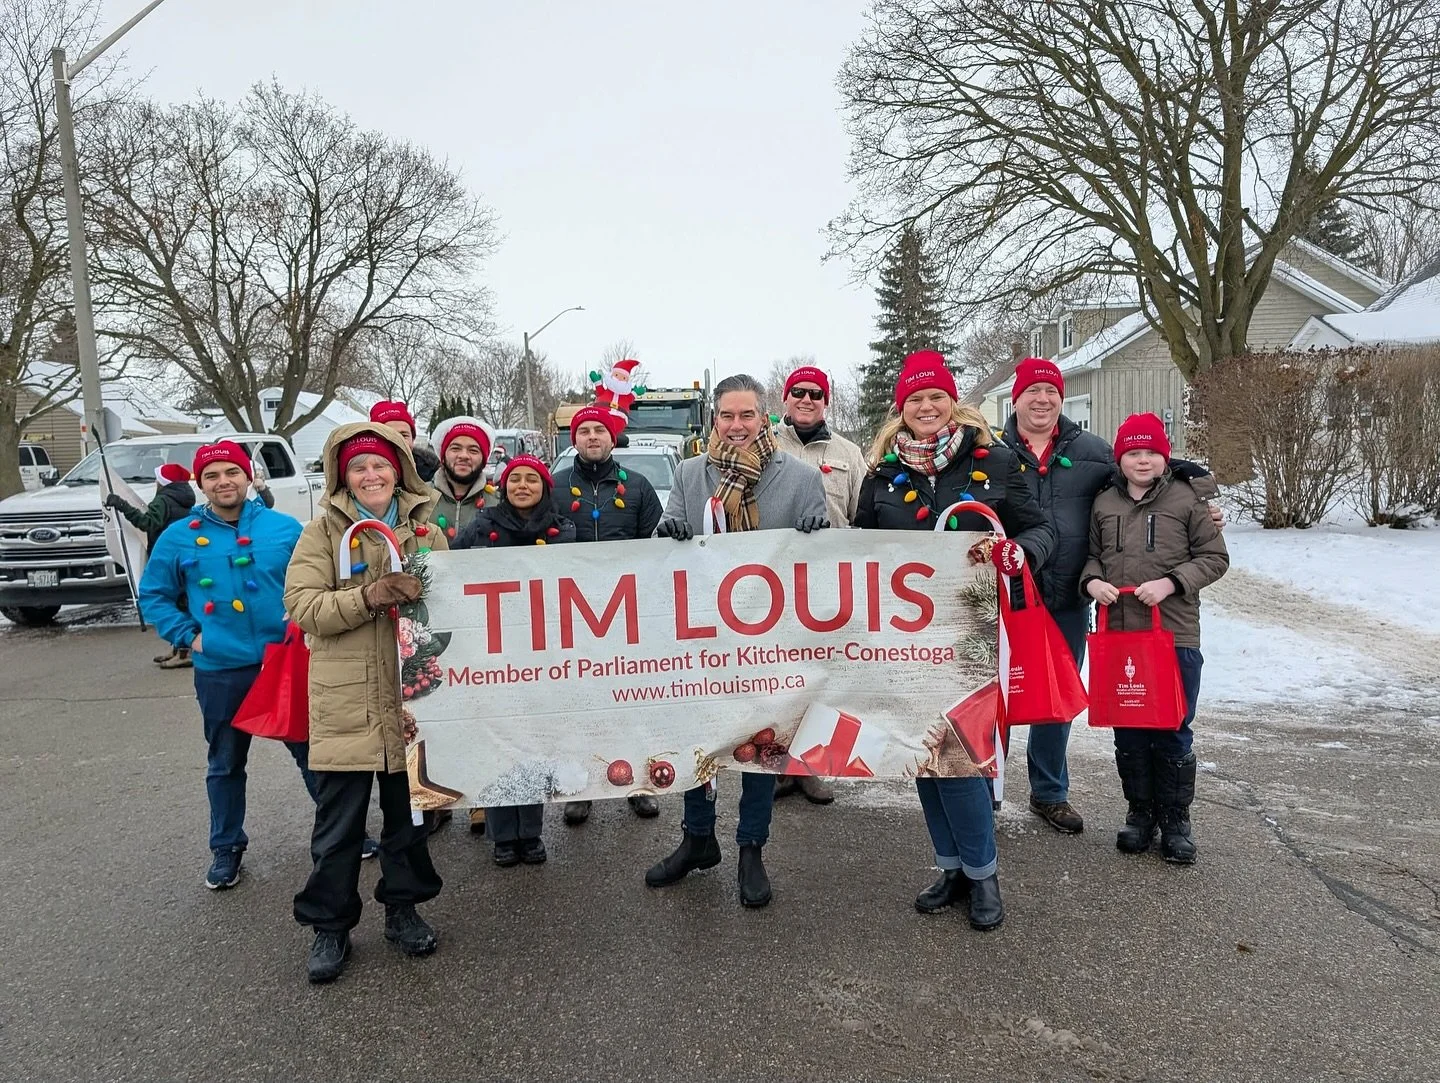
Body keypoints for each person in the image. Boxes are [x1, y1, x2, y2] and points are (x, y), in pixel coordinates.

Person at [854, 351, 1055, 931]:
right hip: (907, 638)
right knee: (926, 754)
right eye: (915, 399)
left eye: (936, 397)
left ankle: (983, 873)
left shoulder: (995, 462)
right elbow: (861, 550)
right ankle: (952, 869)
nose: (927, 407)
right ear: (902, 408)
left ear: (952, 402)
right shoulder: (881, 476)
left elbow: (1041, 528)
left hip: (973, 635)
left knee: (961, 754)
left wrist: (1020, 553)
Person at [1000, 357, 1225, 835]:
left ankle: (1049, 793)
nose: (1042, 399)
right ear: (1015, 399)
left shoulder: (1093, 452)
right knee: (996, 695)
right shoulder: (993, 452)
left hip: (1067, 595)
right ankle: (987, 788)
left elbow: (1146, 476)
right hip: (1006, 596)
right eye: (1032, 390)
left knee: (1056, 700)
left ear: (1061, 398)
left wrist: (1200, 499)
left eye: (1051, 391)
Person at [645, 374, 829, 909]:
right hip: (703, 639)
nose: (737, 425)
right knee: (699, 739)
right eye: (727, 415)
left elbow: (822, 563)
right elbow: (662, 543)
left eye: (747, 415)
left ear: (763, 417)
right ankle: (698, 838)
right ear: (715, 419)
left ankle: (752, 847)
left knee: (759, 745)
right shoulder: (690, 474)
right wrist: (669, 535)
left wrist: (818, 533)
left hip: (768, 641)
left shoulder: (799, 478)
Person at [284, 423, 447, 984]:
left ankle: (404, 910)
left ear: (398, 471)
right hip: (346, 700)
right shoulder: (321, 534)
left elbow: (452, 608)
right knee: (338, 828)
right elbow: (304, 607)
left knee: (409, 819)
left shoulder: (426, 532)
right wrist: (369, 596)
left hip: (410, 698)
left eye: (380, 465)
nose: (371, 475)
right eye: (358, 467)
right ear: (343, 476)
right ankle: (330, 926)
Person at [136, 441, 318, 891]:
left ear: (248, 477)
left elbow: (316, 581)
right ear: (200, 484)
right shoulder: (179, 536)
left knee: (313, 754)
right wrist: (190, 636)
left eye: (232, 472)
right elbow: (154, 595)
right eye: (212, 476)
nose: (223, 482)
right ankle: (226, 847)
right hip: (220, 668)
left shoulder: (284, 528)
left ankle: (340, 833)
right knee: (225, 761)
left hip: (283, 662)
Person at [1081, 413, 1229, 865]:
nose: (1142, 460)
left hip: (1173, 634)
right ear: (1119, 459)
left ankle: (1176, 819)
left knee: (1172, 727)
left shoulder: (1187, 500)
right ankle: (1140, 813)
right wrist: (1093, 582)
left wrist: (1171, 583)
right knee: (1129, 730)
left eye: (1151, 452)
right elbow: (1091, 556)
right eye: (1133, 452)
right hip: (1121, 634)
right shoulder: (1104, 502)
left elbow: (1214, 557)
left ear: (1165, 457)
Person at [454, 455, 576, 865]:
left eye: (532, 480)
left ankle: (531, 832)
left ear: (545, 488)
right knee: (498, 742)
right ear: (503, 487)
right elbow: (450, 571)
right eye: (515, 479)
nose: (523, 486)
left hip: (544, 654)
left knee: (532, 741)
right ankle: (502, 835)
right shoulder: (481, 527)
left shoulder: (564, 531)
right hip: (493, 655)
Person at [547, 403, 666, 825]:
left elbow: (657, 547)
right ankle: (582, 785)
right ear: (574, 440)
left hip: (626, 615)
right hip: (572, 615)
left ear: (612, 439)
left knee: (633, 701)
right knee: (580, 703)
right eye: (584, 431)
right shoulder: (554, 487)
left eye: (600, 430)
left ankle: (638, 783)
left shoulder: (638, 487)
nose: (592, 437)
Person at [770, 363, 868, 806]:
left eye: (815, 393)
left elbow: (864, 515)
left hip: (828, 584)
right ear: (785, 399)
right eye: (798, 392)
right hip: (772, 583)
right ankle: (775, 766)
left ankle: (809, 766)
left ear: (826, 401)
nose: (806, 399)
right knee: (776, 677)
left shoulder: (848, 453)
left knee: (820, 678)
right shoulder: (765, 446)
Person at [108, 462, 198, 668]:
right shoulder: (184, 497)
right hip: (183, 555)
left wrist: (122, 506)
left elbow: (148, 523)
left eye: (158, 478)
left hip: (165, 556)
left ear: (163, 481)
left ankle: (184, 651)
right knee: (183, 601)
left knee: (175, 603)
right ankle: (179, 647)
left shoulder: (163, 500)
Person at [429, 415, 497, 542]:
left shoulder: (498, 503)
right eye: (455, 448)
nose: (464, 455)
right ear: (443, 456)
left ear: (484, 459)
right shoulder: (418, 498)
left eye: (473, 450)